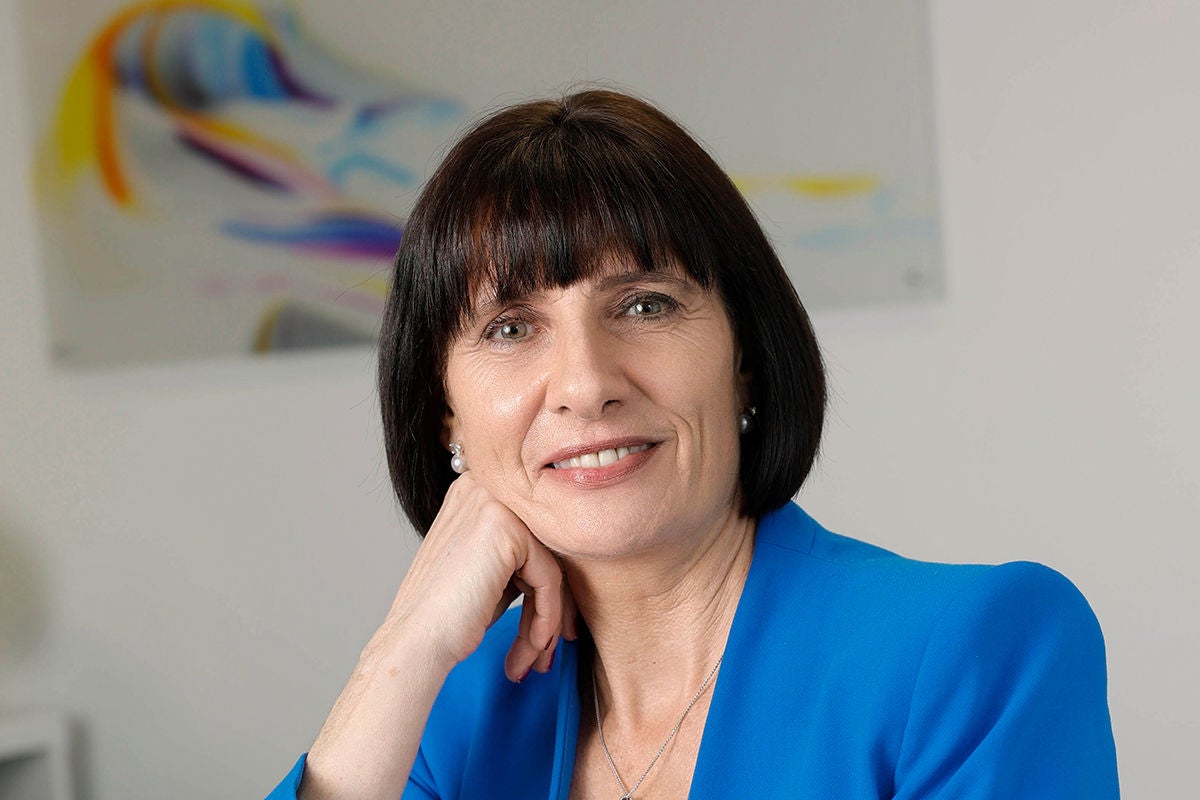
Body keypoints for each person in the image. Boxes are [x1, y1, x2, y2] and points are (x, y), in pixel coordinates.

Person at [269, 89, 1118, 799]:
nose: (585, 384)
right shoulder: (445, 718)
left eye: (645, 305)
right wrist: (405, 643)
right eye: (511, 327)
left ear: (744, 360)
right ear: (444, 413)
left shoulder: (973, 653)